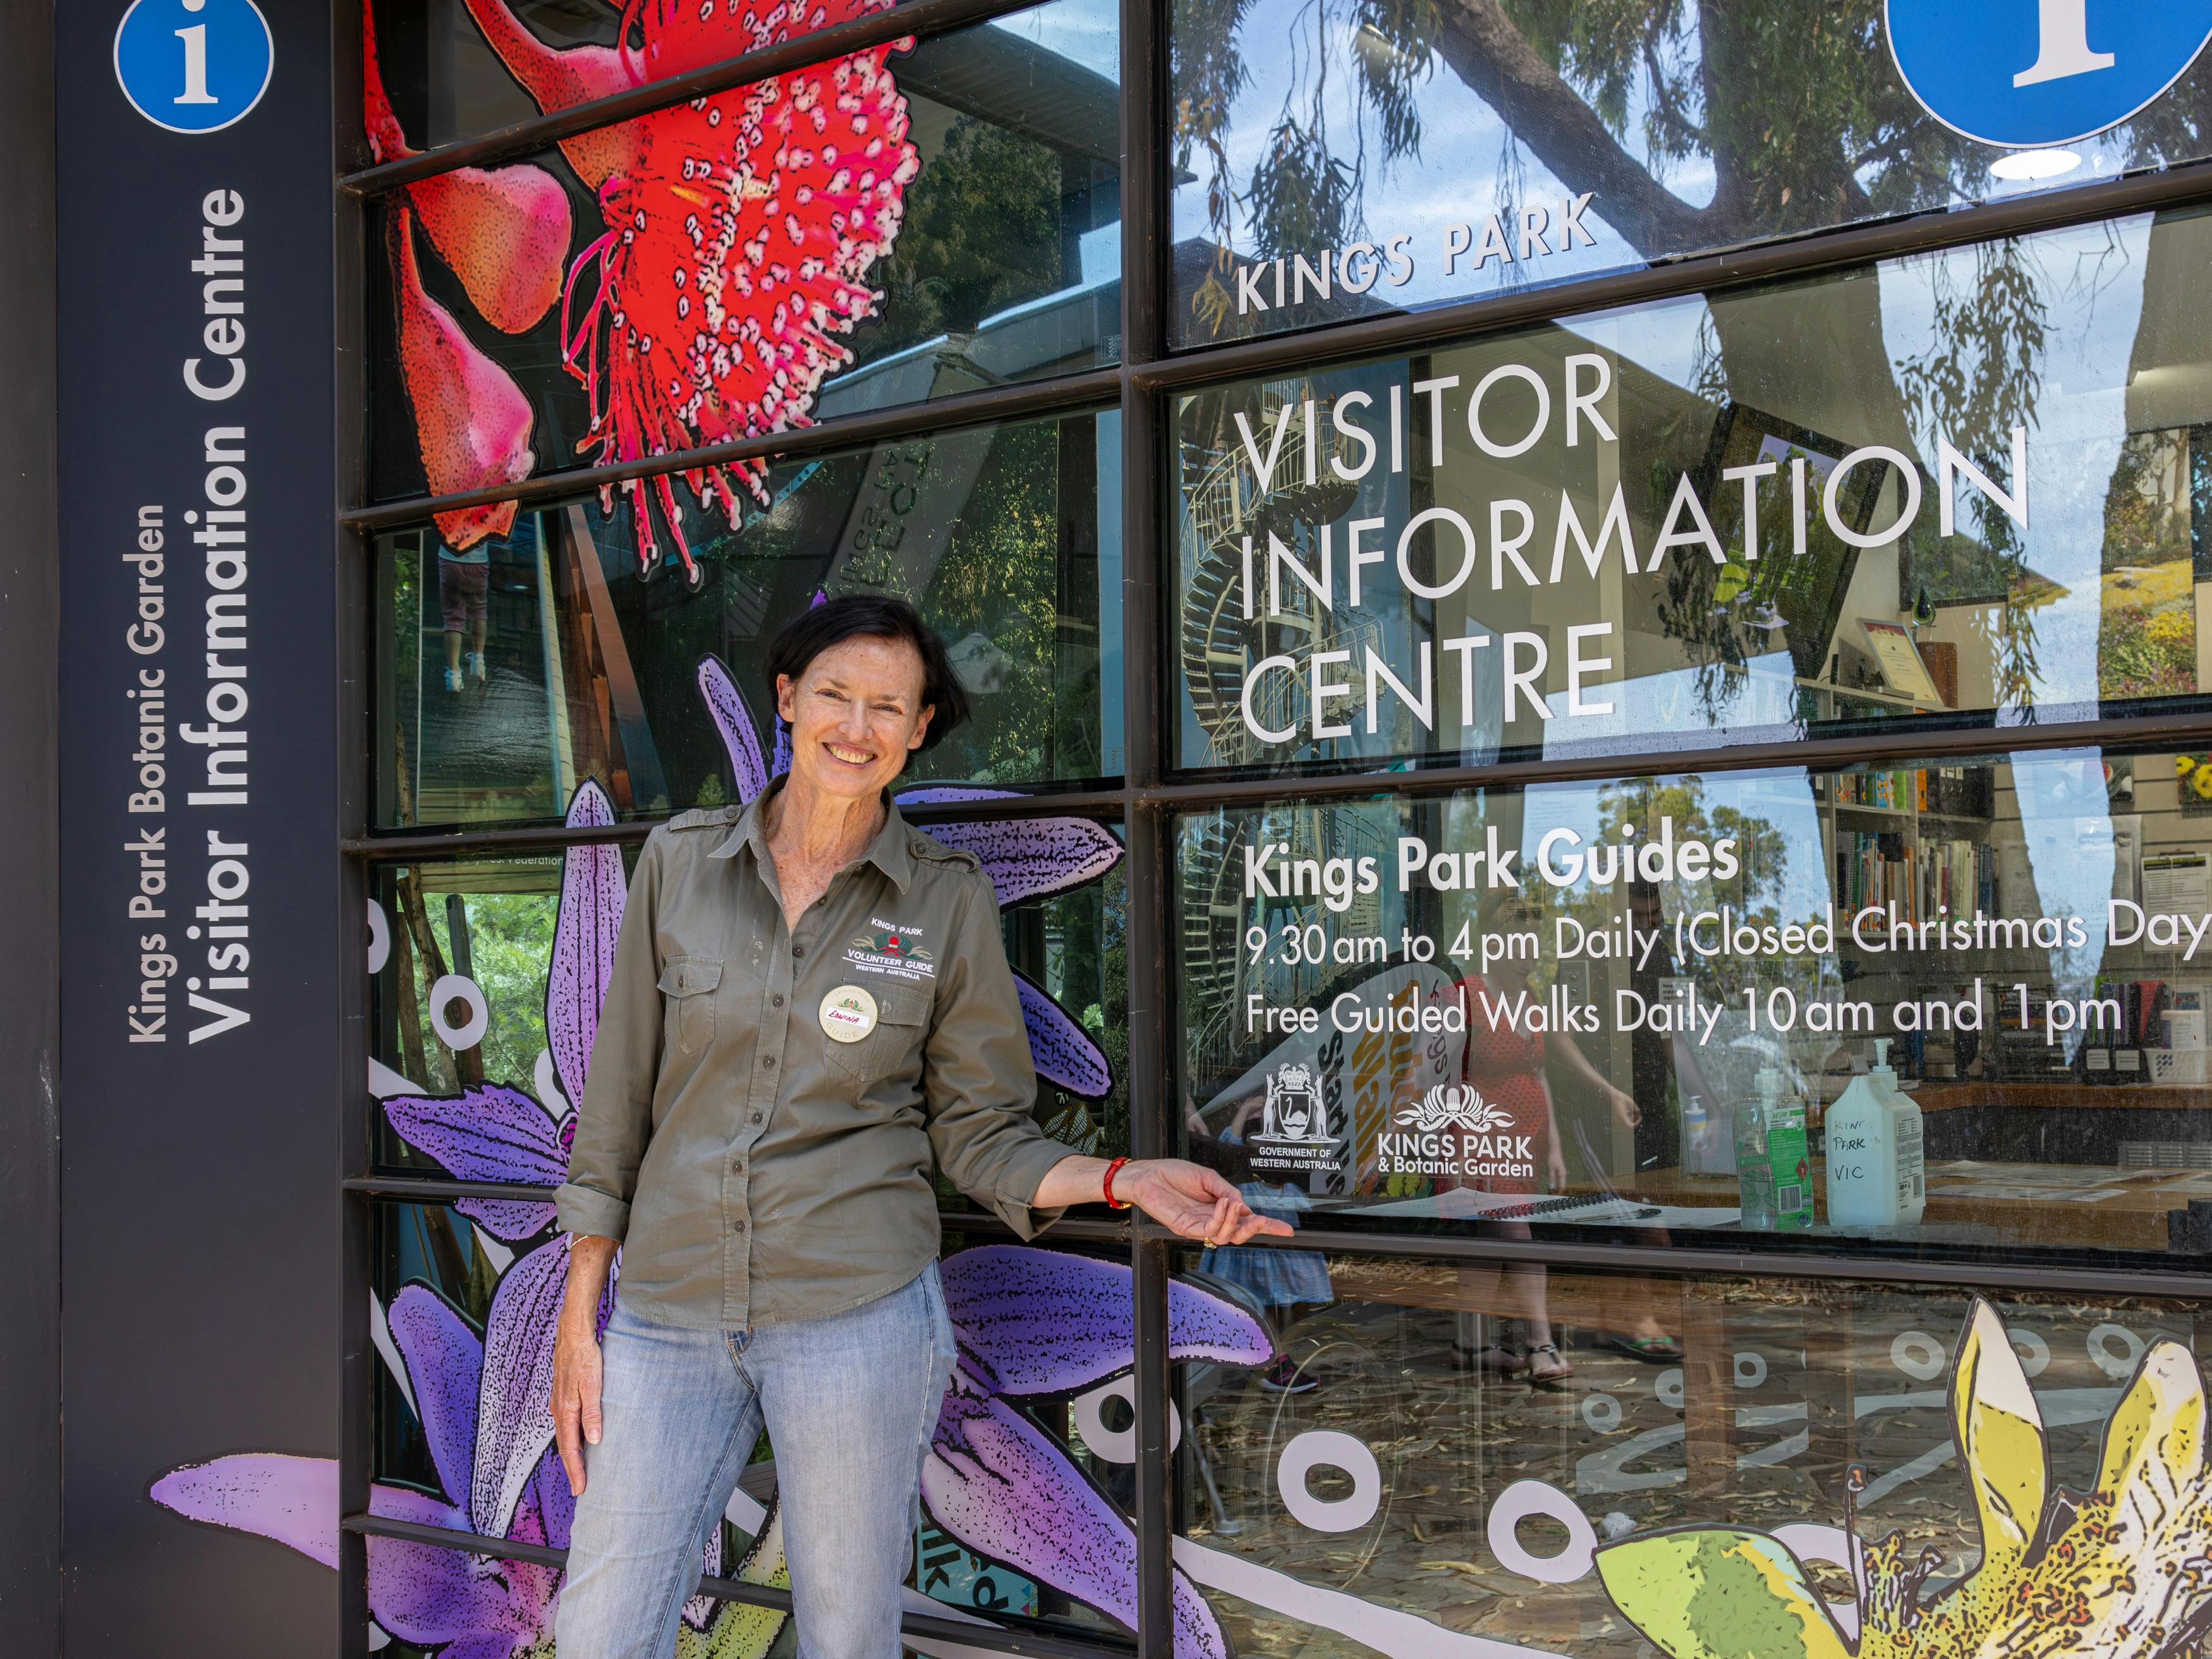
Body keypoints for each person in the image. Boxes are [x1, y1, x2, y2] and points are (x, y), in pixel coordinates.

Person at [550, 595, 1289, 1659]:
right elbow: (615, 1105)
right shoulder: (678, 864)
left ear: (920, 729)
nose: (857, 728)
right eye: (837, 697)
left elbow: (982, 1134)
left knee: (847, 1636)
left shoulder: (945, 901)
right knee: (601, 1628)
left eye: (888, 708)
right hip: (670, 1316)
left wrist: (1125, 1180)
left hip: (854, 1322)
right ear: (788, 698)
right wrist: (584, 1315)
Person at [1425, 896, 1640, 1385]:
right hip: (1480, 1137)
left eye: (1535, 944)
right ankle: (1541, 1344)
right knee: (1517, 1234)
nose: (1530, 956)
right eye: (1520, 944)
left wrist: (1560, 1144)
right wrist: (1455, 1145)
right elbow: (1437, 1073)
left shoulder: (1530, 1001)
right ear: (1494, 945)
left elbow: (1541, 1070)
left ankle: (1471, 1345)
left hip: (1527, 1139)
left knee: (1491, 1242)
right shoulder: (1464, 995)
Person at [437, 540, 489, 691]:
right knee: (479, 610)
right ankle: (479, 663)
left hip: (449, 557)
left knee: (453, 617)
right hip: (478, 561)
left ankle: (454, 677)